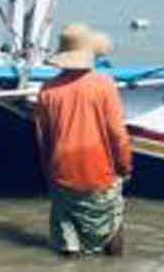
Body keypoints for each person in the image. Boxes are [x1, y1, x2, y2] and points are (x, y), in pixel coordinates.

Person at [34, 24, 132, 257]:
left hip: (62, 176)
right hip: (100, 174)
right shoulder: (104, 85)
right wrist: (125, 167)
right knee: (112, 223)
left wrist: (49, 175)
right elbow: (118, 135)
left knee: (67, 241)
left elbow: (43, 141)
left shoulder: (47, 91)